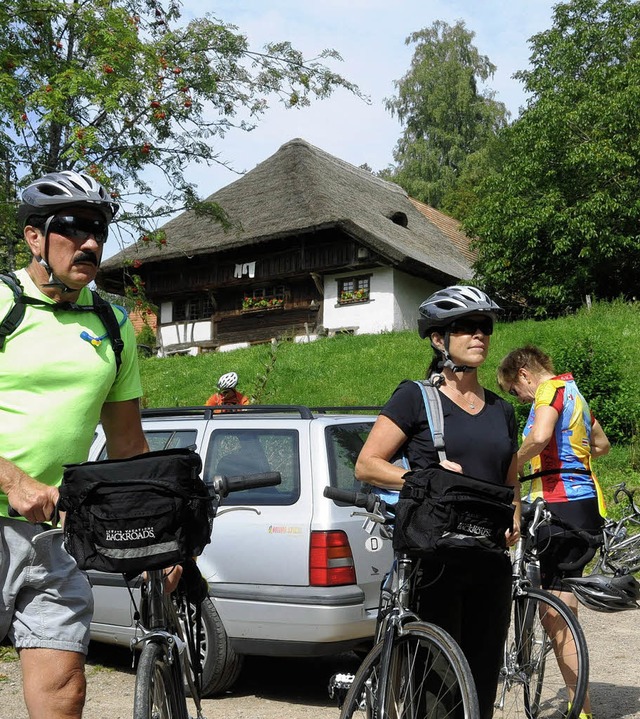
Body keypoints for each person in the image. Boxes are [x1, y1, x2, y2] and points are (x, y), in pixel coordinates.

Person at [0, 170, 149, 719]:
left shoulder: (112, 322)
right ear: (34, 237)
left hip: (54, 535)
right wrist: (13, 480)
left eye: (98, 230)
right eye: (72, 228)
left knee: (65, 686)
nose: (89, 242)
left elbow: (128, 445)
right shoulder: (2, 303)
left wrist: (152, 533)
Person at [356, 285, 521, 719]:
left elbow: (509, 476)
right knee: (437, 690)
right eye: (465, 327)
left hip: (488, 556)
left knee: (482, 681)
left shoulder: (502, 410)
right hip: (436, 556)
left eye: (484, 327)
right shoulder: (416, 398)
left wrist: (516, 513)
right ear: (438, 339)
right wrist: (422, 476)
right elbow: (367, 464)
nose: (479, 335)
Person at [497, 345, 611, 719]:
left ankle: (581, 709)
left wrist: (507, 465)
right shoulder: (574, 392)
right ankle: (582, 706)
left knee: (555, 615)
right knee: (564, 609)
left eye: (515, 391)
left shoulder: (547, 392)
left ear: (524, 374)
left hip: (557, 505)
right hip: (586, 507)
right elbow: (601, 444)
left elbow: (541, 437)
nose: (519, 398)